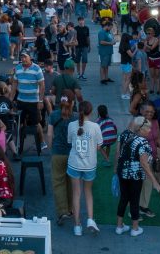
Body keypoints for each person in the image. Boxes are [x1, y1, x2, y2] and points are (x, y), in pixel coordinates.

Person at [115, 116, 160, 237]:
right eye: (148, 129)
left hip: (123, 173)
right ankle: (135, 228)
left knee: (124, 198)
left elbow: (118, 153)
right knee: (135, 200)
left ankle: (119, 226)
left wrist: (116, 170)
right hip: (135, 176)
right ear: (141, 129)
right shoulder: (142, 142)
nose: (149, 131)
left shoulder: (127, 136)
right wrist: (155, 181)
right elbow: (144, 164)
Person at [67, 101, 101, 236]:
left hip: (74, 163)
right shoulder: (95, 127)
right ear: (90, 112)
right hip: (89, 165)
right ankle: (90, 219)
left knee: (76, 193)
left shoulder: (71, 125)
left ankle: (76, 225)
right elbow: (98, 146)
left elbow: (70, 142)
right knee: (88, 192)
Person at [47, 97, 77, 227]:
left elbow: (49, 135)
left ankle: (62, 211)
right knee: (71, 183)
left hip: (58, 153)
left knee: (58, 183)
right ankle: (70, 209)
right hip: (72, 154)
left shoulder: (54, 115)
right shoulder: (75, 117)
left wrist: (50, 147)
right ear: (72, 103)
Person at [11, 52, 47, 154]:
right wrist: (10, 99)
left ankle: (42, 142)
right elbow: (14, 84)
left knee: (36, 123)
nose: (23, 59)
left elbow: (42, 85)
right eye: (21, 57)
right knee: (19, 122)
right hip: (21, 100)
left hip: (33, 101)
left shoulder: (36, 69)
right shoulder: (17, 68)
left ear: (30, 57)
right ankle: (18, 144)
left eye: (25, 57)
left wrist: (40, 100)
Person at [143, 26, 160, 93]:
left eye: (149, 33)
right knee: (152, 75)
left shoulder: (156, 39)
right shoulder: (147, 40)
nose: (148, 35)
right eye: (147, 33)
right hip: (150, 58)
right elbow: (144, 50)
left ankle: (158, 89)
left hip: (157, 59)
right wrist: (145, 43)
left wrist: (145, 44)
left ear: (153, 33)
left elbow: (152, 48)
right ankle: (152, 89)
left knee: (157, 75)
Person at [75, 16, 91, 80]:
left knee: (84, 60)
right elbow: (74, 38)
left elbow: (88, 37)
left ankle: (83, 73)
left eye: (82, 20)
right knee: (77, 60)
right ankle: (78, 73)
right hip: (77, 46)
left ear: (84, 21)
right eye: (80, 20)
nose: (81, 21)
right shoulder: (75, 28)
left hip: (85, 46)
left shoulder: (86, 28)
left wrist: (89, 46)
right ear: (78, 21)